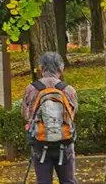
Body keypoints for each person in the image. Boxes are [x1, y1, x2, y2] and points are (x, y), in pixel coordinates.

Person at [21, 52, 78, 184]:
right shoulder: (68, 90)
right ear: (61, 68)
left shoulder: (31, 89)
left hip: (40, 144)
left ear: (41, 68)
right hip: (65, 143)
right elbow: (73, 114)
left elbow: (25, 114)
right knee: (68, 181)